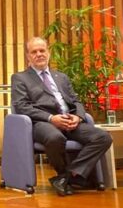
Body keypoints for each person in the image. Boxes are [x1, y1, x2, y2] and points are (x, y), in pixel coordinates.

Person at [11, 37, 112, 196]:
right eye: (34, 52)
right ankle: (64, 174)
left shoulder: (61, 77)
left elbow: (76, 100)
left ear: (48, 53)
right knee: (55, 138)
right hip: (43, 123)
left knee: (103, 137)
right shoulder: (20, 78)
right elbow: (22, 106)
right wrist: (52, 118)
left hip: (70, 121)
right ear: (28, 56)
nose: (39, 54)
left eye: (42, 50)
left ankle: (66, 177)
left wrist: (78, 117)